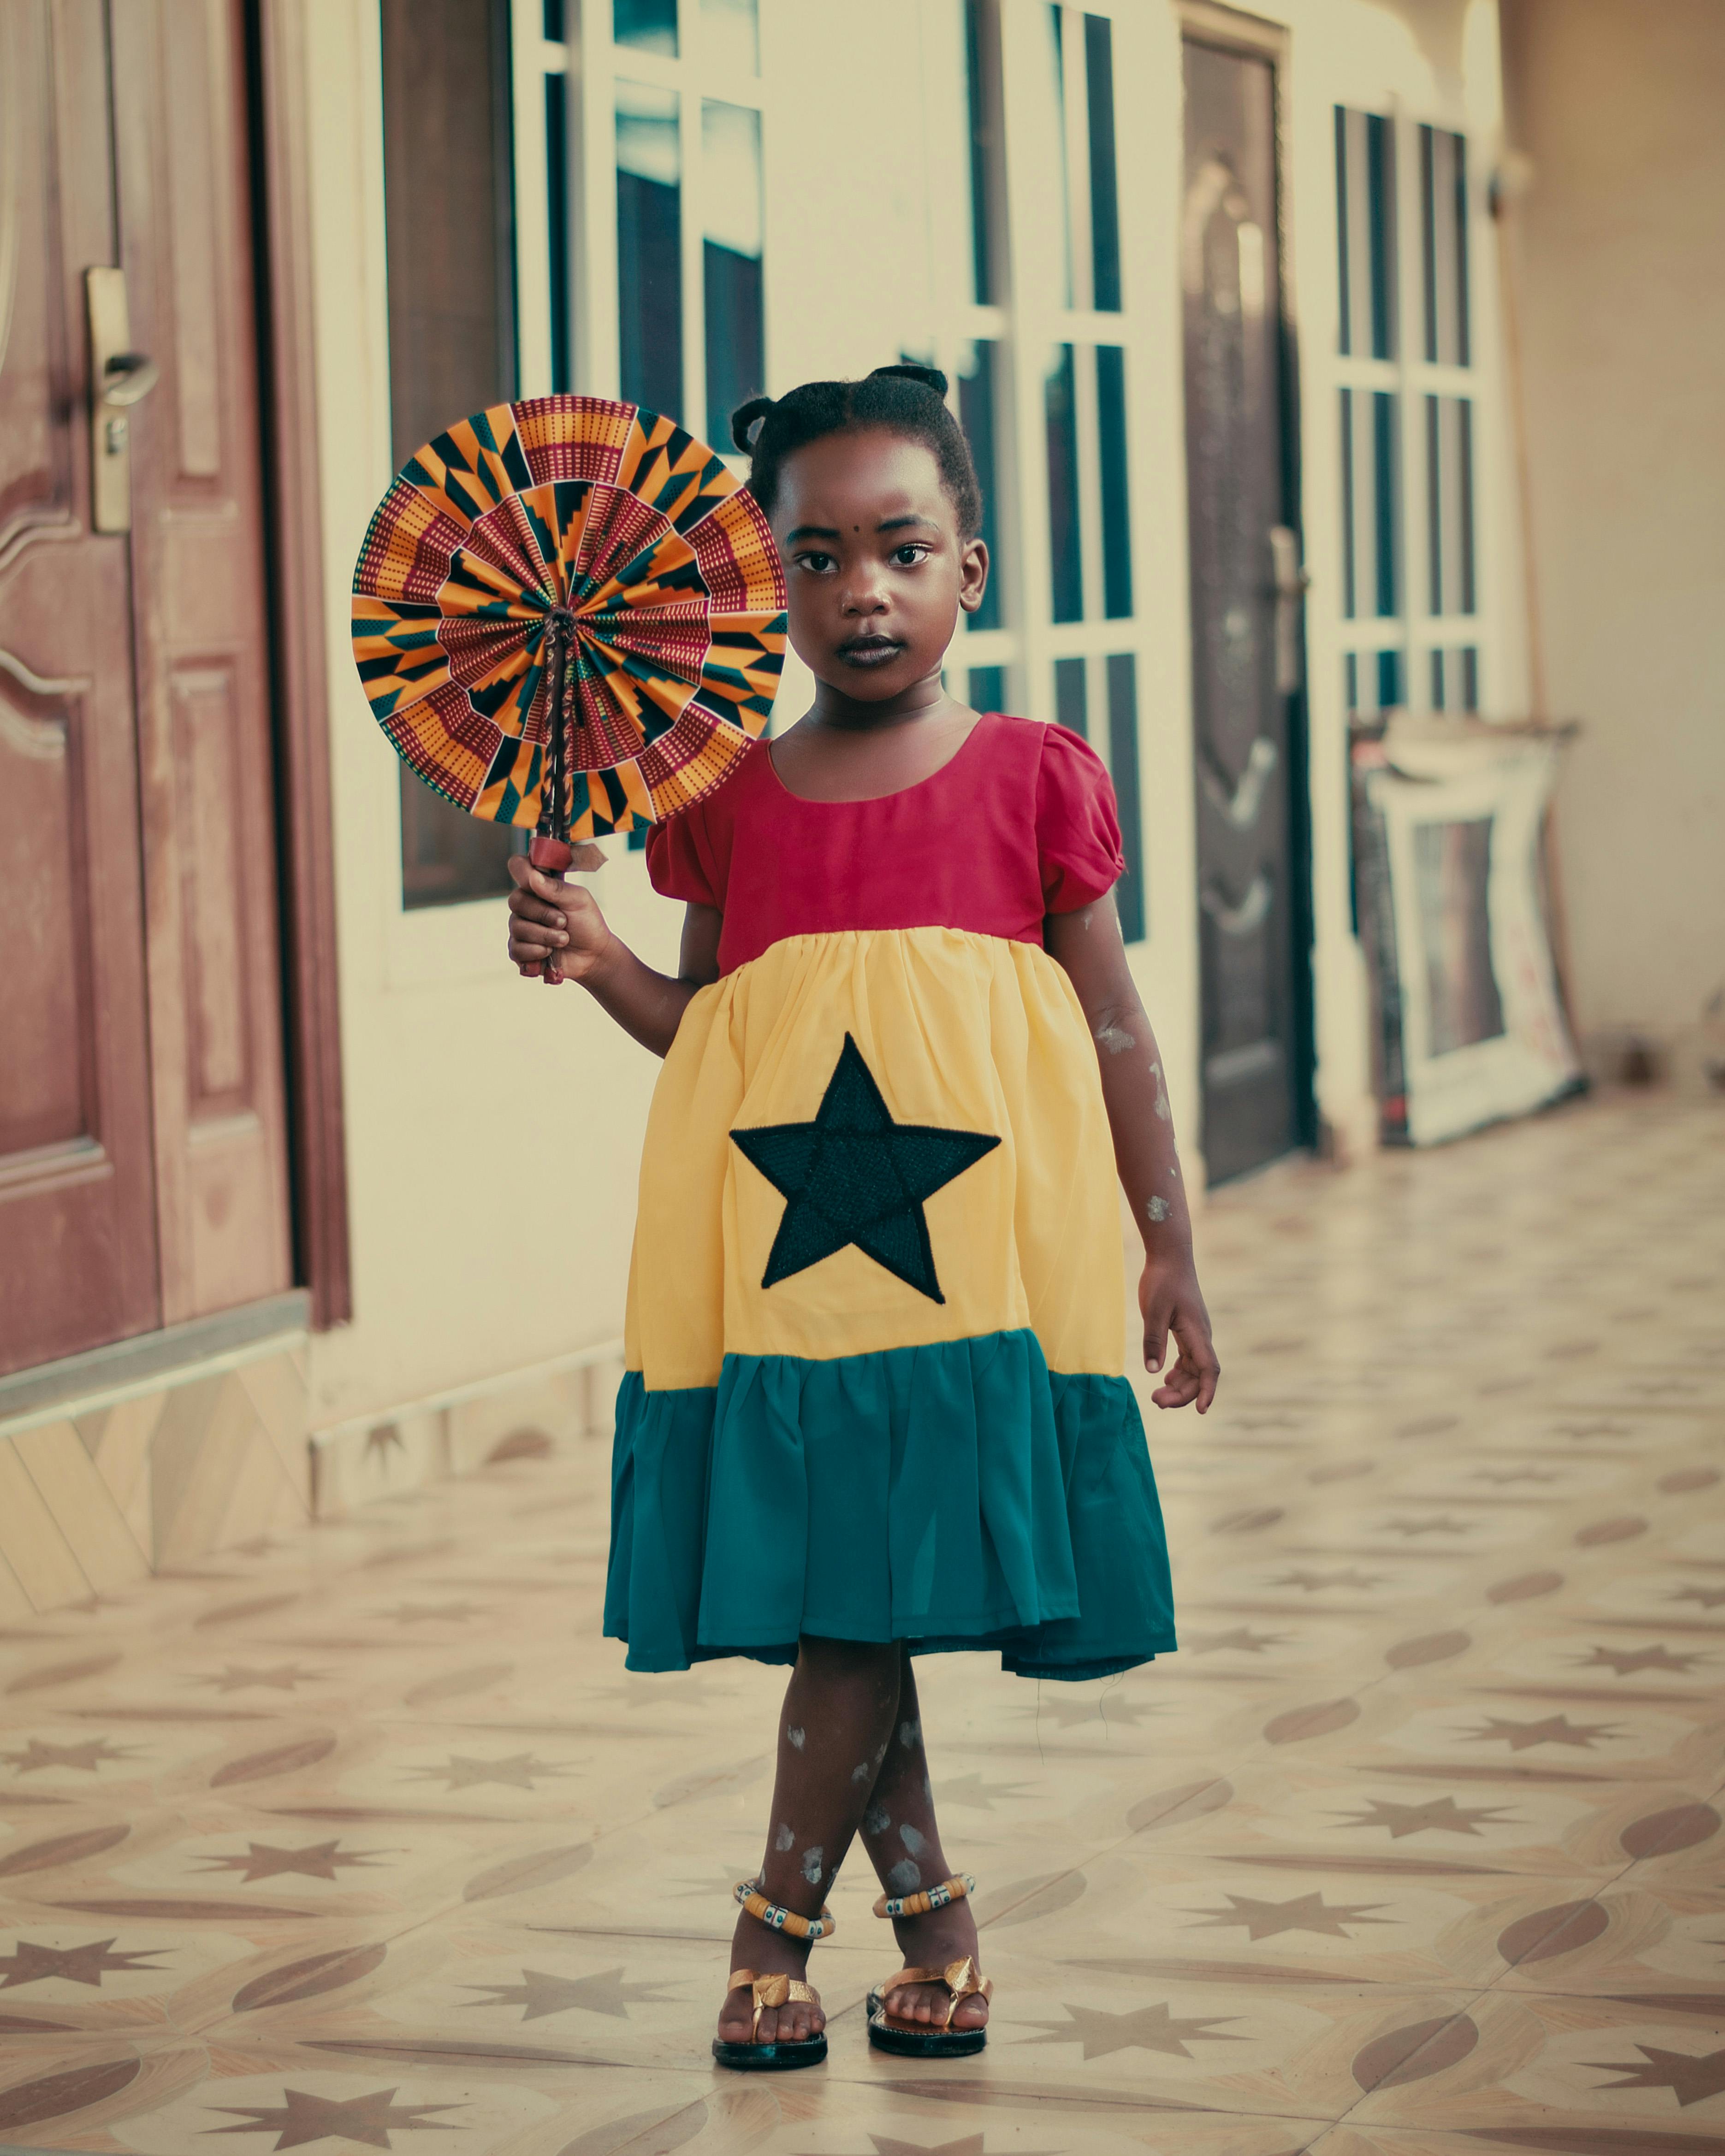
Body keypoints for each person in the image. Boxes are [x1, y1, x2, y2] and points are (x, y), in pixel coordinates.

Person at [505, 364, 1219, 2072]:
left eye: (901, 549)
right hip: (788, 1287)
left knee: (855, 1606)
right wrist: (595, 954)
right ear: (768, 588)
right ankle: (928, 1930)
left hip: (975, 1284)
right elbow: (710, 1036)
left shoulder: (1036, 779)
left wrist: (1168, 1237)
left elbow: (1115, 1028)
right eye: (813, 558)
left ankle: (780, 1925)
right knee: (854, 1601)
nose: (861, 592)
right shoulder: (727, 803)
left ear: (971, 565)